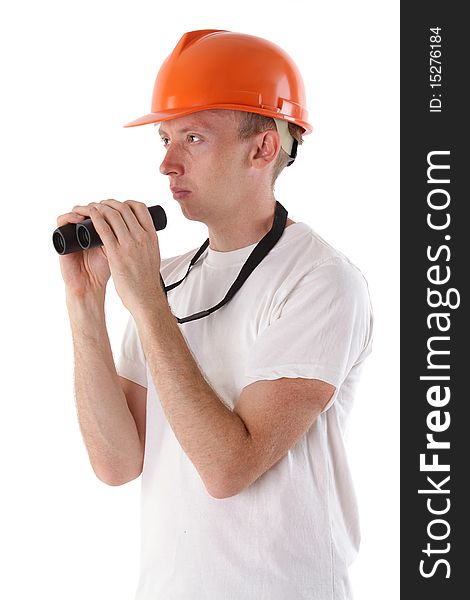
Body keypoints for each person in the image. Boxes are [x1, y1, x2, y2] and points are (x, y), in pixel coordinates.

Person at [57, 30, 373, 600]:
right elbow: (117, 461)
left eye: (193, 138)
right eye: (165, 138)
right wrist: (87, 300)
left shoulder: (321, 281)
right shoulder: (165, 277)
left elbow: (229, 469)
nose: (166, 164)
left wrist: (147, 303)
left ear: (262, 149)